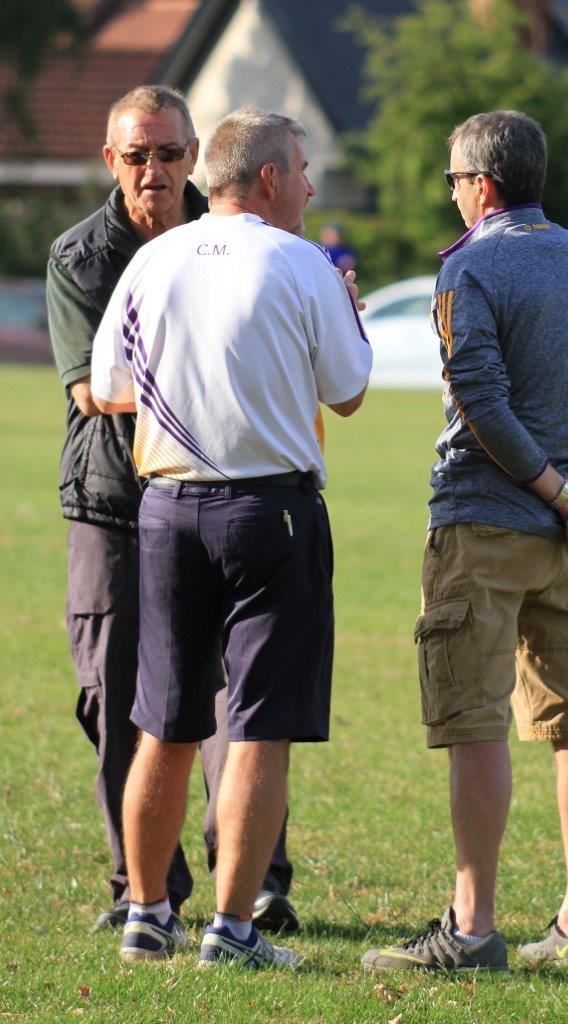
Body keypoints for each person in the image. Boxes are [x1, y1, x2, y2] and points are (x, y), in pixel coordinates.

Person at [362, 110, 568, 974]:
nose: (451, 195)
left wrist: (565, 492)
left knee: (475, 720)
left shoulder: (470, 267)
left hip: (484, 523)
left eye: (453, 181)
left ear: (480, 185)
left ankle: (473, 926)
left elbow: (482, 402)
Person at [89, 107, 372, 968]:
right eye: (304, 167)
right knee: (258, 726)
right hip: (272, 513)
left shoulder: (154, 259)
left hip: (168, 508)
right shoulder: (302, 261)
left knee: (162, 724)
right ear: (269, 178)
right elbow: (350, 392)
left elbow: (106, 387)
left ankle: (146, 915)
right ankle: (234, 930)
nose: (312, 183)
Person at [46, 85, 297, 935]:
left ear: (195, 156)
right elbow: (93, 390)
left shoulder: (237, 234)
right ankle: (142, 893)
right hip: (117, 505)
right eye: (136, 155)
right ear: (110, 161)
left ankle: (253, 879)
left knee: (245, 697)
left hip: (226, 497)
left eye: (169, 153)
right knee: (118, 695)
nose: (154, 170)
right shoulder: (80, 256)